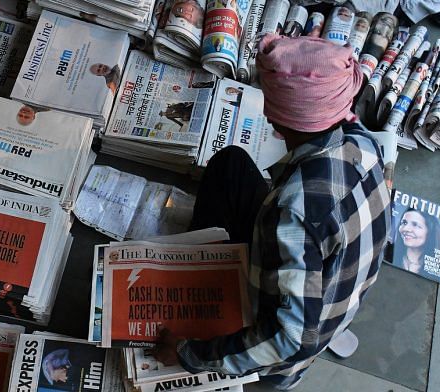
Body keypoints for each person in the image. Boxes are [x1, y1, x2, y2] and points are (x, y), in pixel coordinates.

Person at [154, 34, 391, 390]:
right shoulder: (363, 142)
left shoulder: (293, 211)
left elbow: (290, 340)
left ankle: (207, 298)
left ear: (278, 121)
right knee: (230, 164)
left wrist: (189, 354)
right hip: (333, 290)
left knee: (232, 188)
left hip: (287, 348)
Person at [392, 208, 440, 277]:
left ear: (430, 232)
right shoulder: (388, 254)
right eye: (404, 223)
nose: (405, 229)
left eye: (415, 225)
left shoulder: (437, 270)